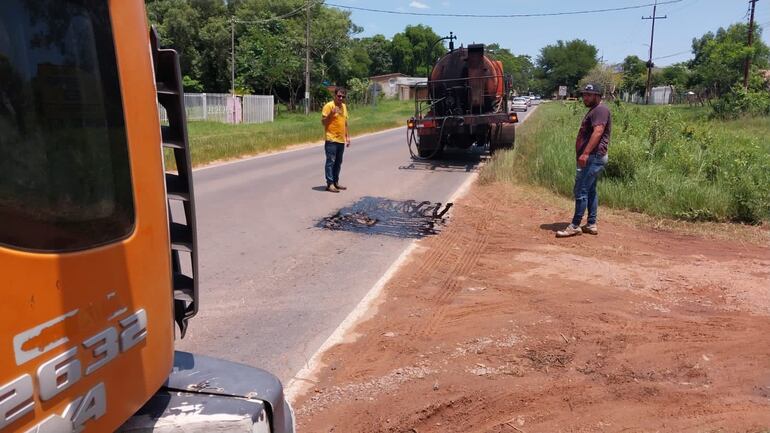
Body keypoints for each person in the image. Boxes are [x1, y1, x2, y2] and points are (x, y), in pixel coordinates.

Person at [556, 83, 611, 238]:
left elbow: (598, 131)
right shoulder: (594, 110)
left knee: (581, 190)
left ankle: (574, 225)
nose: (585, 97)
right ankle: (591, 224)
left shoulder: (600, 110)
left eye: (589, 94)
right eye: (584, 94)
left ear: (598, 95)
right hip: (593, 157)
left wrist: (585, 153)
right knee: (590, 190)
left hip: (593, 157)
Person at [321, 88, 351, 193]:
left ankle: (336, 182)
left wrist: (348, 137)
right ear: (335, 95)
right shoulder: (329, 106)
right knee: (331, 162)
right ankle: (330, 184)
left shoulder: (344, 107)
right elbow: (323, 122)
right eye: (339, 96)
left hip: (341, 140)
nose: (341, 98)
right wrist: (331, 114)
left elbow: (345, 122)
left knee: (338, 162)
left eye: (343, 96)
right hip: (331, 139)